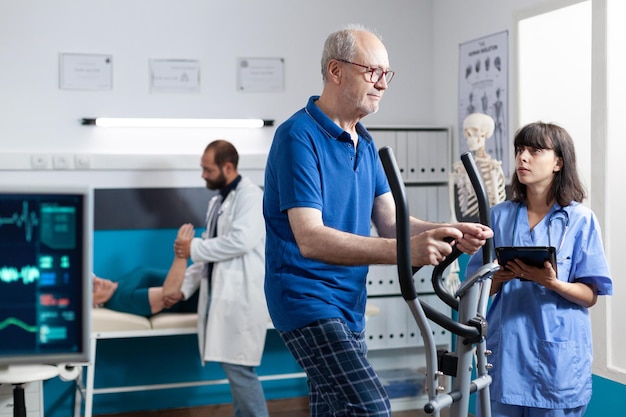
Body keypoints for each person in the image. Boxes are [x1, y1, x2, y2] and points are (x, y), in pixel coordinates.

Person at [262, 24, 493, 417]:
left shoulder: (364, 142)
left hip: (348, 300)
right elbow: (311, 239)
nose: (382, 84)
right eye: (372, 72)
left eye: (387, 74)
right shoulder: (297, 137)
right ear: (336, 71)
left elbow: (391, 222)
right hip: (305, 299)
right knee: (370, 406)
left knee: (333, 407)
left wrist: (446, 231)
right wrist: (408, 249)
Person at [466, 122, 613, 417]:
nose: (522, 158)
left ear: (558, 162)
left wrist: (551, 282)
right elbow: (475, 288)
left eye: (534, 151)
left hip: (558, 362)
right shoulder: (499, 216)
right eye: (520, 150)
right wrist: (500, 278)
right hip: (507, 354)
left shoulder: (581, 221)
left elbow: (589, 295)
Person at [164, 140, 270, 417]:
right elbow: (207, 257)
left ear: (228, 167)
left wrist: (192, 249)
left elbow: (241, 241)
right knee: (236, 370)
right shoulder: (218, 202)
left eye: (207, 170)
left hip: (243, 296)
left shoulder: (251, 196)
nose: (203, 175)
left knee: (240, 370)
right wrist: (184, 289)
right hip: (223, 296)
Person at [92, 228, 197, 317]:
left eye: (92, 278)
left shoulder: (119, 285)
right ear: (93, 304)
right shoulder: (124, 299)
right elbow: (170, 293)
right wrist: (181, 253)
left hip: (199, 278)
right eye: (92, 288)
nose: (96, 281)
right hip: (202, 295)